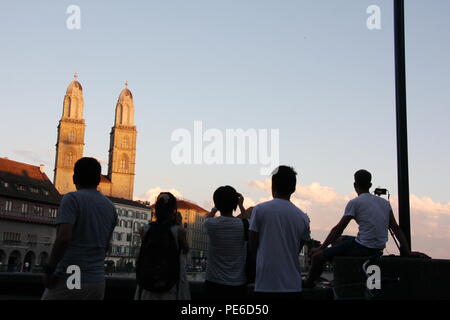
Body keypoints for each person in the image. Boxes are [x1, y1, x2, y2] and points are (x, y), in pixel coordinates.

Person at [304, 169, 429, 288]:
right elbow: (396, 229)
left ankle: (309, 283)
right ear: (370, 184)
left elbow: (338, 228)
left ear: (354, 185)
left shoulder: (355, 202)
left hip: (363, 247)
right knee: (339, 240)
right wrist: (407, 252)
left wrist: (321, 248)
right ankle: (341, 272)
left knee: (317, 257)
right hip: (378, 248)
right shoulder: (384, 203)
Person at [41, 157, 118, 300]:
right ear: (98, 179)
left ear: (75, 178)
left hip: (72, 277)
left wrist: (49, 269)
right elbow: (105, 246)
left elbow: (64, 238)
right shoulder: (110, 207)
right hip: (97, 281)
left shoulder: (72, 199)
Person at [249, 166, 311, 300]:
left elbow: (252, 246)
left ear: (273, 185)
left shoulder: (259, 210)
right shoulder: (303, 217)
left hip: (265, 284)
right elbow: (297, 248)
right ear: (294, 188)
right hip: (293, 285)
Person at [135, 192, 189, 300]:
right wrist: (179, 224)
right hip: (172, 285)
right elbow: (186, 251)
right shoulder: (178, 231)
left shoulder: (145, 230)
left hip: (148, 284)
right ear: (174, 210)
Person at [203, 186, 248, 299]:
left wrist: (215, 208)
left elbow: (206, 218)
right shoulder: (243, 225)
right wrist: (241, 205)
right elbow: (249, 222)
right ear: (235, 203)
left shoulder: (211, 224)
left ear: (217, 203)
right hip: (237, 283)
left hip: (214, 282)